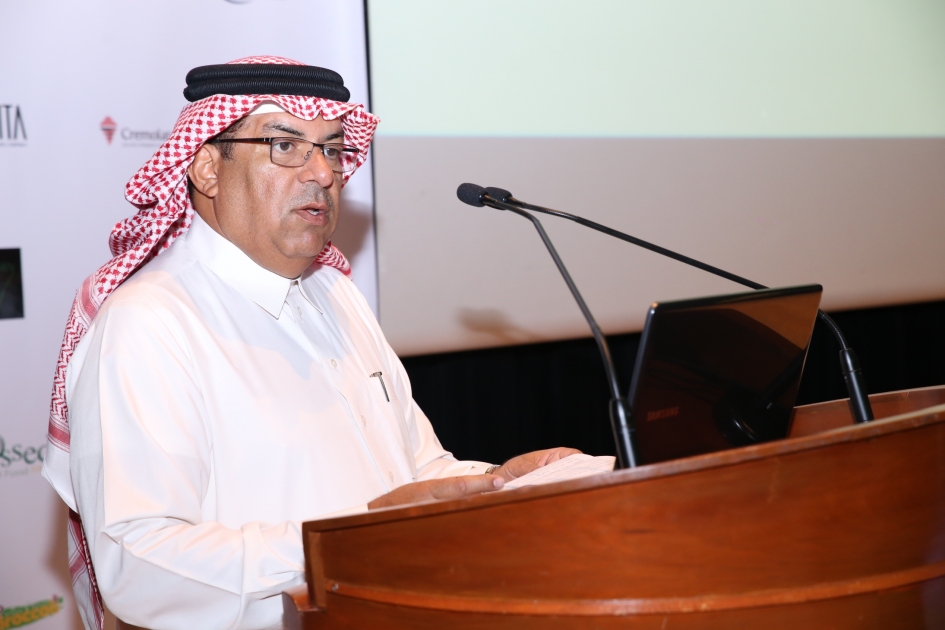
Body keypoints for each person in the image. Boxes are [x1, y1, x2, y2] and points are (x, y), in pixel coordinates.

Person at [42, 56, 578, 630]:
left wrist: (502, 483)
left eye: (332, 149)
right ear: (206, 169)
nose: (322, 172)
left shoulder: (335, 293)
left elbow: (416, 472)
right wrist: (342, 544)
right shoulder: (148, 322)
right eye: (285, 146)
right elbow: (140, 567)